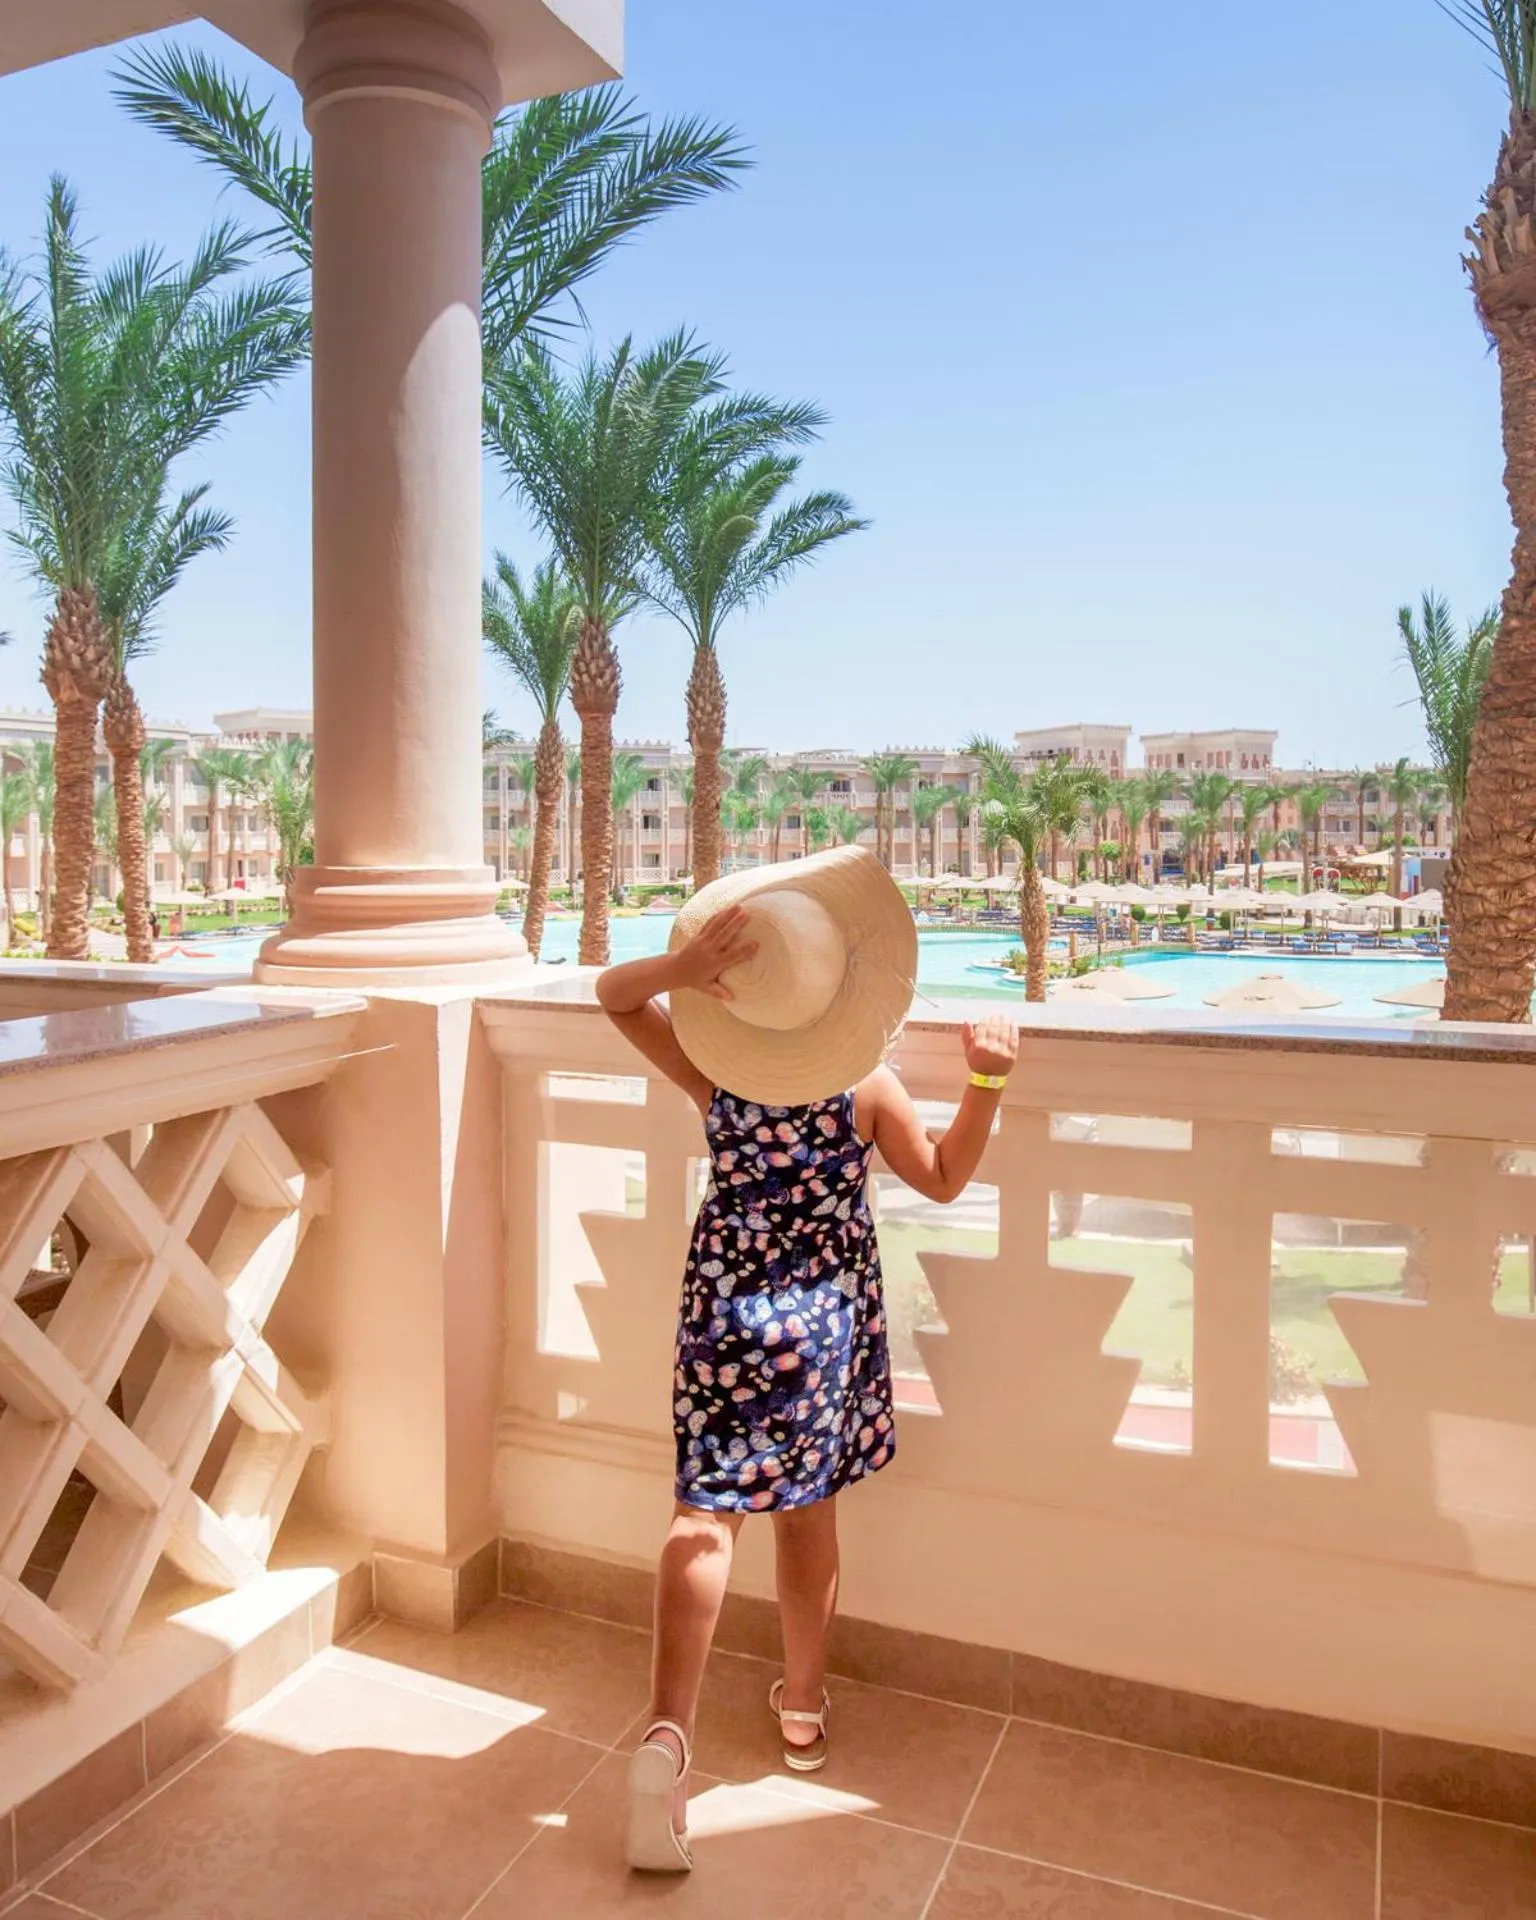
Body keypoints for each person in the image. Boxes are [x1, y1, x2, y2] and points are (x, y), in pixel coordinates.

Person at [595, 845, 1019, 1873]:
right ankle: (801, 1713)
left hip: (725, 1312)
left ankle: (665, 1733)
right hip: (821, 1321)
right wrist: (985, 1080)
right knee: (807, 1520)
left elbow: (611, 998)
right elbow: (948, 1176)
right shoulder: (866, 1091)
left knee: (703, 1516)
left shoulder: (719, 1079)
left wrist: (681, 972)